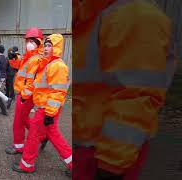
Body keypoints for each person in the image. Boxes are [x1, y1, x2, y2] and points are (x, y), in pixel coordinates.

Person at [74, 0, 176, 179]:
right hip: (88, 146)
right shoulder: (87, 14)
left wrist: (110, 166)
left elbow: (137, 96)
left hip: (102, 155)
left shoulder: (135, 15)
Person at [12, 34, 72, 174]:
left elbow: (58, 91)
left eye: (49, 45)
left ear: (56, 48)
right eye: (45, 45)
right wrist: (25, 96)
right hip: (47, 108)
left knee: (33, 135)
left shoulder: (57, 66)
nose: (46, 48)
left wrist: (50, 113)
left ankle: (27, 165)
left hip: (47, 109)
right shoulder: (47, 64)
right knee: (54, 135)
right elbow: (36, 85)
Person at [5, 27, 47, 155]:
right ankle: (42, 136)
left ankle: (19, 147)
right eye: (28, 40)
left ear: (39, 42)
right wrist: (13, 58)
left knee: (18, 121)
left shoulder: (36, 59)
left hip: (26, 95)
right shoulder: (29, 56)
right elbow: (18, 66)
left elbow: (32, 80)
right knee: (23, 119)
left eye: (33, 41)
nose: (29, 43)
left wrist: (24, 95)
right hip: (25, 93)